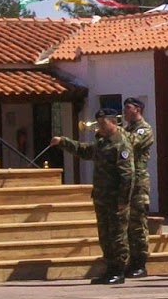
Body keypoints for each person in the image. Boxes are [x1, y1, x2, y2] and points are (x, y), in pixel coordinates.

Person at [52, 106, 135, 284]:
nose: (100, 127)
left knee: (117, 235)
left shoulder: (121, 143)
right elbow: (85, 151)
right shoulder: (102, 142)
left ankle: (119, 270)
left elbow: (127, 175)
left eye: (103, 124)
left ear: (113, 122)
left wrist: (123, 200)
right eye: (99, 124)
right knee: (105, 235)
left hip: (115, 199)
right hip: (101, 197)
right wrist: (63, 142)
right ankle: (109, 268)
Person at [120, 98, 155, 277]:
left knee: (138, 224)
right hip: (126, 182)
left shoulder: (144, 128)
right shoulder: (125, 130)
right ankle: (129, 261)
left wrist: (113, 131)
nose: (124, 112)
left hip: (139, 182)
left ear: (138, 109)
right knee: (126, 225)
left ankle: (140, 263)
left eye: (128, 108)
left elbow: (130, 143)